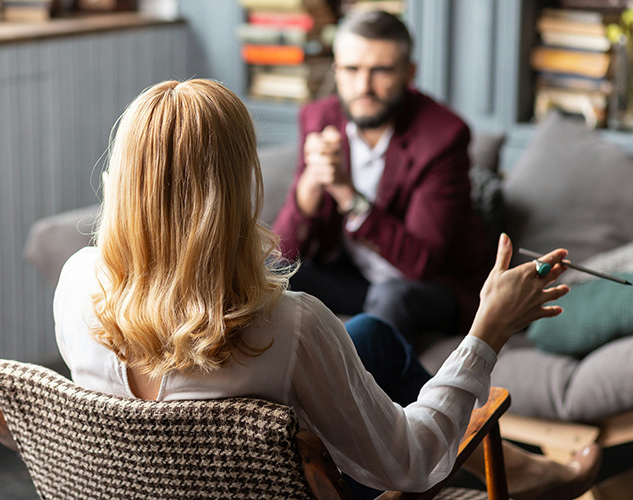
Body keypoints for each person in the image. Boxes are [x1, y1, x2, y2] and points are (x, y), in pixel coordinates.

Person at [54, 79, 601, 499]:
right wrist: (487, 331)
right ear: (238, 189)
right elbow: (410, 465)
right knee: (371, 350)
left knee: (371, 334)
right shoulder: (290, 328)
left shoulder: (77, 283)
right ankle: (504, 465)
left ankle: (522, 469)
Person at [273, 10, 490, 345]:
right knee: (270, 278)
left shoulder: (443, 136)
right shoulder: (320, 118)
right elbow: (283, 252)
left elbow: (420, 263)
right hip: (354, 279)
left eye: (381, 71)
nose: (363, 87)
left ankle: (350, 396)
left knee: (392, 298)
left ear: (409, 73)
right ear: (336, 71)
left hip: (427, 287)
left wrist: (346, 192)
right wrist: (311, 185)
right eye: (351, 70)